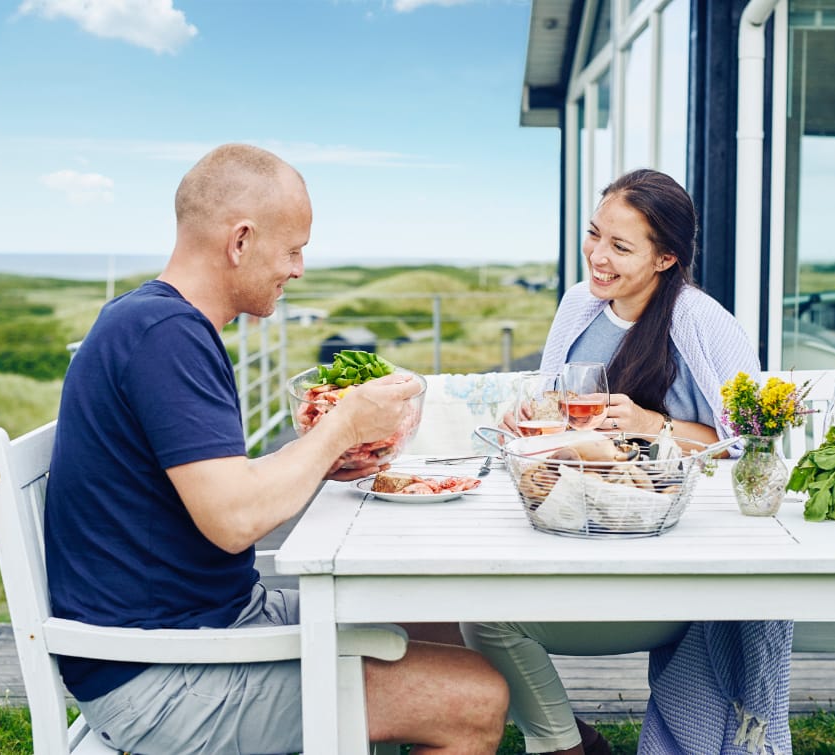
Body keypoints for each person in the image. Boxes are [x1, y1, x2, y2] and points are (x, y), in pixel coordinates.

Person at [43, 143, 509, 754]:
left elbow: (214, 488)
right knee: (475, 698)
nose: (299, 270)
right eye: (293, 250)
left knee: (428, 621)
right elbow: (234, 520)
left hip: (207, 622)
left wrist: (324, 462)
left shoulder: (155, 322)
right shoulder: (167, 337)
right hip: (158, 673)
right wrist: (340, 426)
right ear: (240, 241)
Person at [462, 169, 792, 755]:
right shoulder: (578, 307)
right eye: (595, 236)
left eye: (620, 246)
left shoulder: (701, 322)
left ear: (665, 258)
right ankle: (574, 744)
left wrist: (652, 426)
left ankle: (567, 748)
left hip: (677, 572)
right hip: (583, 532)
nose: (597, 257)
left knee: (487, 620)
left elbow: (749, 445)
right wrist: (531, 423)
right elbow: (557, 413)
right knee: (461, 605)